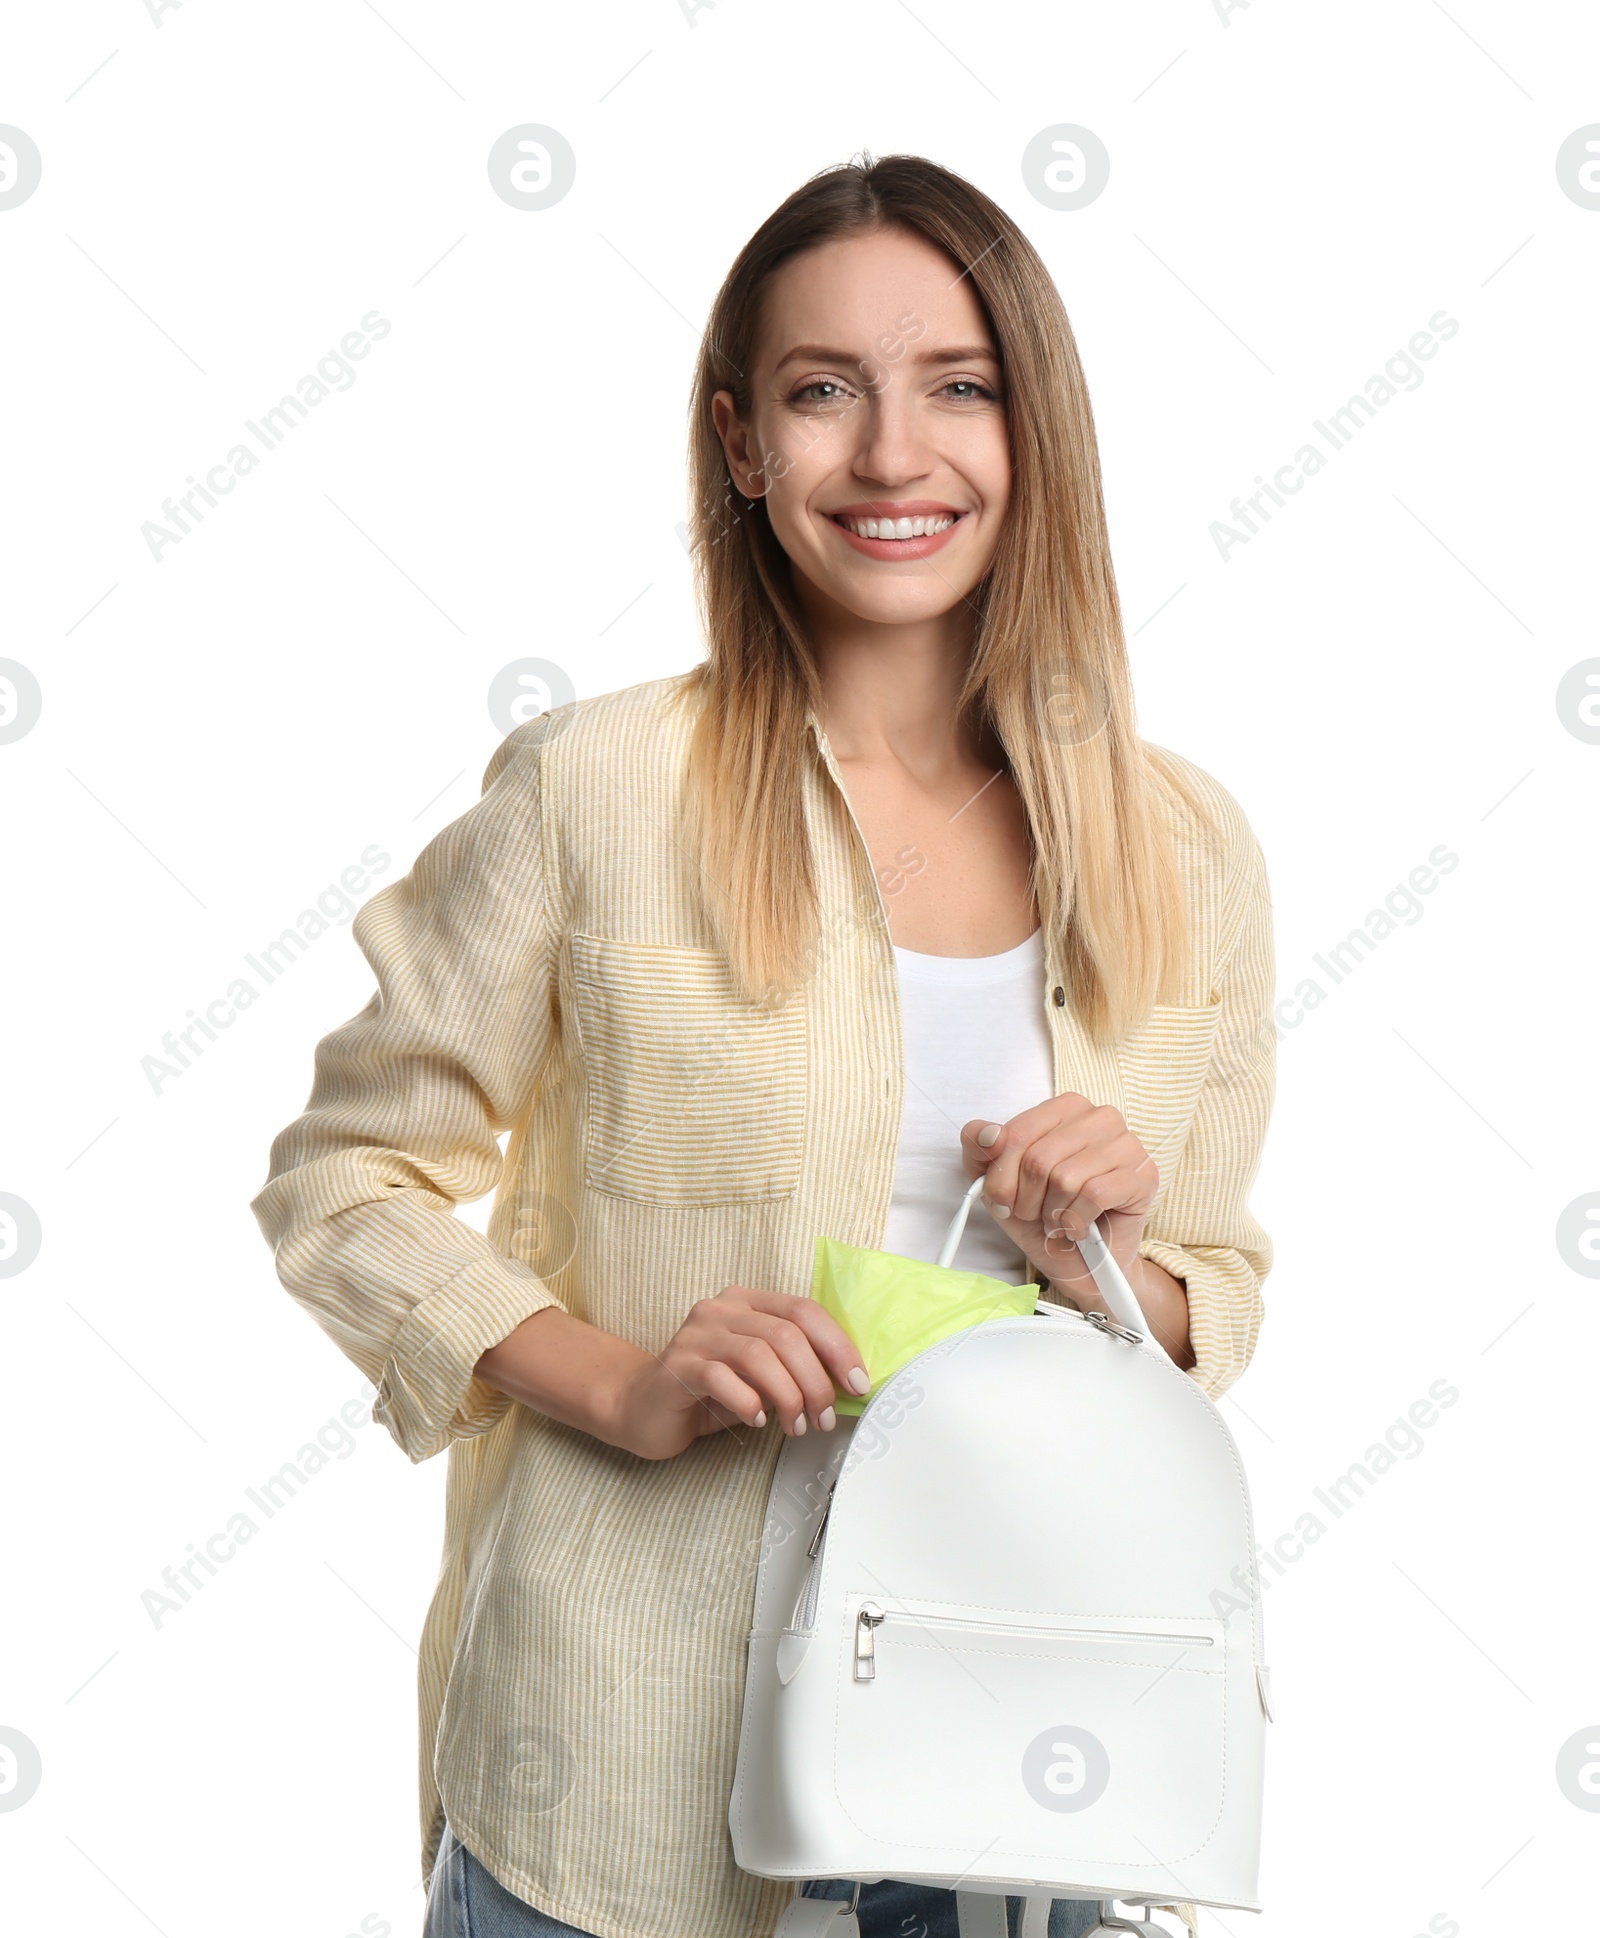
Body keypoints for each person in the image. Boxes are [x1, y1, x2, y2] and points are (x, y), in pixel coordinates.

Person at [250, 152, 1274, 1938]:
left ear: (1035, 430)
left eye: (959, 385)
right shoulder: (598, 787)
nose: (895, 455)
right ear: (741, 442)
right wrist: (624, 1381)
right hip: (622, 1772)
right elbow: (346, 1183)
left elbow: (1212, 1288)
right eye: (825, 392)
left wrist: (1116, 1266)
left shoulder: (1182, 849)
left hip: (1014, 1778)